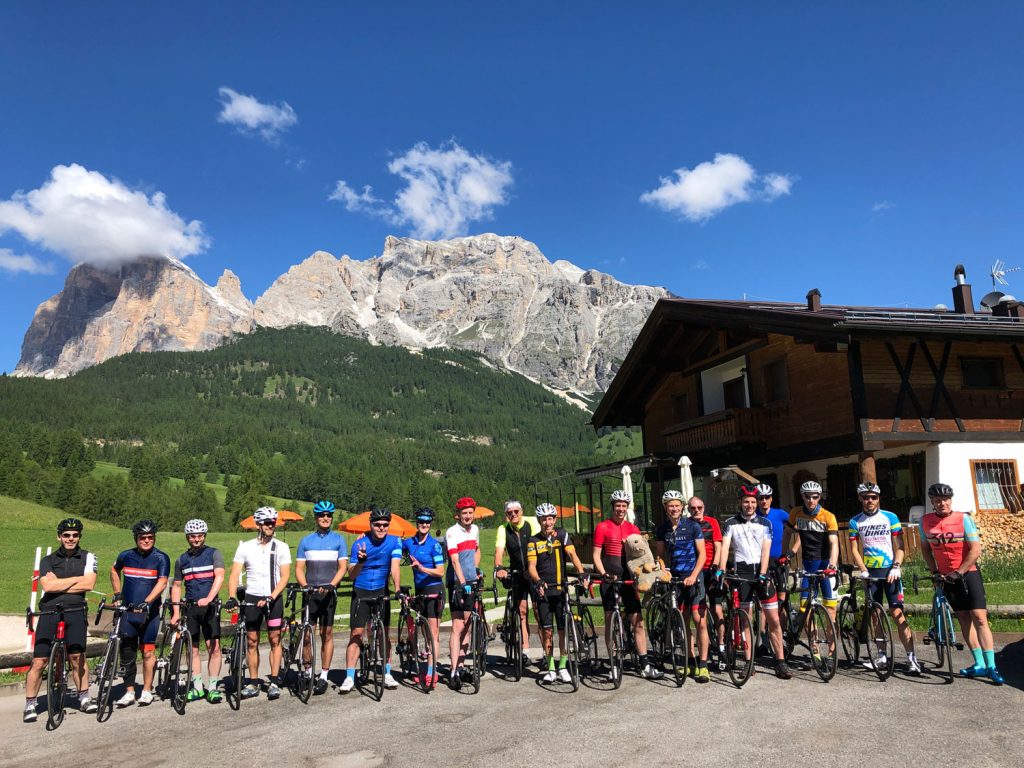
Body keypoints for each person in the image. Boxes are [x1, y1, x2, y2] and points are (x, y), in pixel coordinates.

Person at [919, 482, 1004, 685]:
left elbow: (975, 550)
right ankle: (979, 664)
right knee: (964, 618)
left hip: (968, 574)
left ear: (951, 500)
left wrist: (960, 571)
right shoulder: (925, 522)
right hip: (946, 577)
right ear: (932, 502)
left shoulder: (963, 519)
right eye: (938, 500)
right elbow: (925, 550)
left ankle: (991, 666)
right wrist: (935, 573)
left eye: (946, 500)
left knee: (979, 618)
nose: (942, 503)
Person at [24, 518, 98, 722]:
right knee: (39, 660)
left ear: (79, 537)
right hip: (50, 610)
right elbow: (47, 587)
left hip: (75, 610)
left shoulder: (89, 557)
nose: (70, 538)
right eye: (66, 535)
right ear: (59, 536)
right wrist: (77, 580)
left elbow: (89, 584)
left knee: (77, 657)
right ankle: (30, 703)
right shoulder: (48, 560)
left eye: (75, 535)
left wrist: (60, 582)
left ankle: (84, 697)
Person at [716, 487, 792, 679]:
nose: (750, 505)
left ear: (757, 503)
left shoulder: (765, 523)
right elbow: (725, 548)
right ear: (740, 502)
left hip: (761, 572)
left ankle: (780, 662)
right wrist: (721, 570)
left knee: (773, 619)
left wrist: (764, 573)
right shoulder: (730, 523)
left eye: (753, 502)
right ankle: (749, 663)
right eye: (746, 502)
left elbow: (766, 550)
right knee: (745, 619)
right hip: (741, 573)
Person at [847, 484, 921, 675]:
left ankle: (912, 658)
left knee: (897, 614)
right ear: (860, 499)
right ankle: (881, 657)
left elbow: (900, 546)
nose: (869, 500)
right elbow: (855, 550)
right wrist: (862, 570)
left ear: (879, 498)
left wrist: (896, 566)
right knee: (875, 616)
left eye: (873, 497)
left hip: (890, 572)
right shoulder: (855, 521)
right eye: (865, 497)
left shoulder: (890, 517)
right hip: (870, 572)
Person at [593, 489, 661, 680]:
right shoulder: (603, 527)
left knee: (638, 621)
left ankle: (644, 663)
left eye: (624, 506)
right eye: (617, 506)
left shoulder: (633, 529)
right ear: (612, 507)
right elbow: (596, 555)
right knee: (609, 619)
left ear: (627, 507)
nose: (620, 509)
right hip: (609, 578)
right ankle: (613, 662)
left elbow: (641, 556)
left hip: (629, 579)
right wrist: (603, 573)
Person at [226, 506, 291, 701]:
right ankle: (253, 682)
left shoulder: (281, 547)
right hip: (252, 598)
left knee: (275, 639)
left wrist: (272, 596)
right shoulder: (245, 547)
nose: (271, 526)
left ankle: (273, 681)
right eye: (267, 523)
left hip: (274, 598)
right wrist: (232, 597)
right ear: (258, 525)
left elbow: (285, 576)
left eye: (273, 523)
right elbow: (234, 574)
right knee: (252, 641)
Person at [339, 507, 402, 693]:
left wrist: (397, 589)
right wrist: (360, 561)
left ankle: (387, 671)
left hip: (381, 591)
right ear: (370, 525)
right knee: (356, 634)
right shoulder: (360, 544)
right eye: (377, 525)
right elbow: (351, 576)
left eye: (385, 525)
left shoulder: (394, 541)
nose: (381, 528)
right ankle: (349, 676)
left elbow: (395, 567)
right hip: (361, 591)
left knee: (384, 634)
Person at [526, 503, 589, 683]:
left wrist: (581, 571)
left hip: (560, 590)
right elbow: (531, 566)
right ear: (539, 520)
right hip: (544, 591)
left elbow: (572, 554)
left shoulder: (562, 535)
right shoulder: (533, 541)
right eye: (544, 519)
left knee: (562, 631)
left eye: (550, 518)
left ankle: (562, 666)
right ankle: (551, 667)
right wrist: (538, 580)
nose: (547, 522)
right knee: (547, 632)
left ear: (555, 519)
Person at [111, 519, 171, 707]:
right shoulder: (126, 556)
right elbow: (114, 570)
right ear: (136, 538)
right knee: (127, 651)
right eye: (143, 537)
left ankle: (146, 690)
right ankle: (129, 691)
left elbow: (162, 582)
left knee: (147, 652)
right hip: (128, 612)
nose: (146, 540)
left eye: (150, 537)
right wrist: (117, 594)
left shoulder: (161, 558)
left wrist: (147, 602)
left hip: (149, 612)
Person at [654, 490, 709, 682]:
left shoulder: (693, 526)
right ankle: (690, 660)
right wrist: (664, 571)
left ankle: (703, 665)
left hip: (694, 576)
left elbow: (702, 554)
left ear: (682, 507)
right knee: (683, 621)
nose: (674, 508)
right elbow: (660, 555)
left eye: (677, 505)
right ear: (665, 508)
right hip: (675, 579)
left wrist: (694, 575)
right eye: (670, 505)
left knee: (698, 619)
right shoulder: (662, 529)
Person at [170, 518, 226, 704]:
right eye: (193, 536)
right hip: (191, 608)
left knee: (214, 647)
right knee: (192, 649)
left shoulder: (213, 554)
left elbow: (219, 577)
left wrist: (210, 598)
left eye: (200, 536)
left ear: (205, 536)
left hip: (210, 607)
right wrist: (176, 612)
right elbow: (177, 586)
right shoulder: (182, 560)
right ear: (188, 537)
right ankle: (197, 687)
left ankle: (213, 687)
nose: (197, 539)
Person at [295, 500, 348, 695]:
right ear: (316, 518)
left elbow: (342, 567)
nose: (325, 518)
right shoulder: (306, 541)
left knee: (327, 634)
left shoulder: (339, 540)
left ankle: (324, 675)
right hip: (311, 594)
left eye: (328, 515)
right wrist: (305, 586)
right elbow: (299, 569)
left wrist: (332, 585)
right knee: (307, 634)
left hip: (329, 592)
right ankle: (308, 672)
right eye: (321, 516)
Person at [781, 480, 839, 624]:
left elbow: (834, 542)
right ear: (803, 496)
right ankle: (813, 645)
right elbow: (787, 532)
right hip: (808, 565)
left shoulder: (828, 516)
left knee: (830, 608)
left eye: (815, 497)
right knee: (804, 608)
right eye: (807, 496)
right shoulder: (796, 512)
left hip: (824, 566)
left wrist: (832, 564)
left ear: (820, 497)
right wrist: (784, 554)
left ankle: (833, 647)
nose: (811, 500)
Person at [402, 506, 446, 688]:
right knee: (420, 630)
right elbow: (392, 542)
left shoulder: (434, 545)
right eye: (421, 521)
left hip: (434, 588)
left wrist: (422, 568)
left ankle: (431, 672)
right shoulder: (409, 542)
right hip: (420, 590)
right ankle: (421, 666)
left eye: (427, 522)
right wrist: (365, 535)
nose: (424, 524)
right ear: (416, 523)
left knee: (432, 635)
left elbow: (440, 571)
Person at [493, 499, 541, 663]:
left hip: (534, 572)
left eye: (516, 511)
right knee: (521, 612)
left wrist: (533, 569)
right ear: (506, 515)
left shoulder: (532, 522)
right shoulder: (503, 529)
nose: (513, 514)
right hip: (517, 573)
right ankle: (525, 651)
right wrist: (499, 567)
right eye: (509, 513)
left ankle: (546, 652)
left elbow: (538, 543)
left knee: (538, 611)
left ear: (521, 511)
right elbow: (499, 551)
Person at [445, 496, 482, 689]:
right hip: (457, 583)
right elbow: (454, 561)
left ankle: (460, 666)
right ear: (458, 515)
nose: (468, 516)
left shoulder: (475, 530)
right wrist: (462, 582)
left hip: (471, 581)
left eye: (470, 513)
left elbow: (477, 550)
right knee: (457, 626)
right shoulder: (452, 532)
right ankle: (452, 671)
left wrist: (476, 570)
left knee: (468, 625)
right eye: (464, 513)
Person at [688, 496, 726, 671]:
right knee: (699, 610)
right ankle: (705, 644)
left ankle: (721, 645)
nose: (696, 510)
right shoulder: (686, 524)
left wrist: (716, 567)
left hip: (710, 568)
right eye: (692, 508)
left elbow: (718, 546)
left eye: (699, 507)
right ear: (688, 509)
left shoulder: (712, 522)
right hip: (694, 571)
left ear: (704, 507)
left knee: (717, 609)